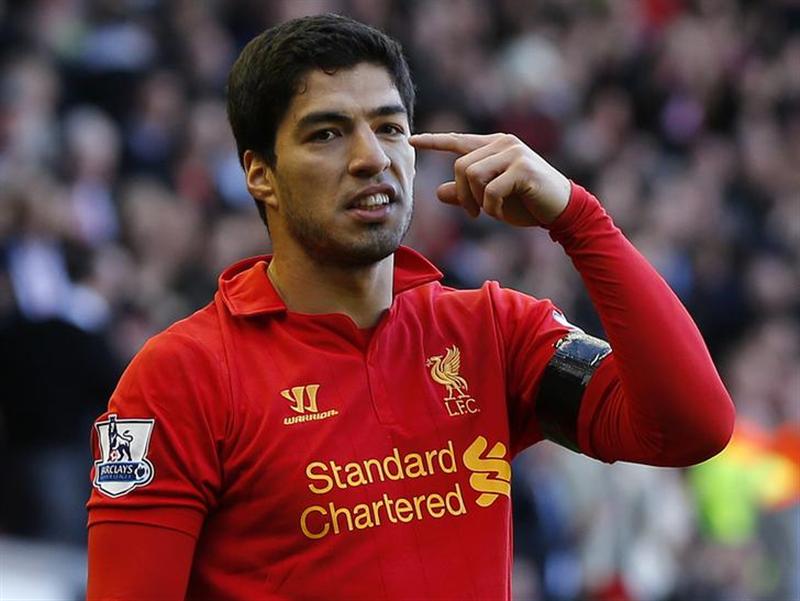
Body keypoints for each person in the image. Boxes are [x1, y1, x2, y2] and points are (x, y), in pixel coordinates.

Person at [86, 14, 735, 600]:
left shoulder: (493, 332)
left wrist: (580, 221)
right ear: (260, 173)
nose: (372, 157)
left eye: (391, 127)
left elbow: (691, 427)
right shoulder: (177, 377)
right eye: (327, 133)